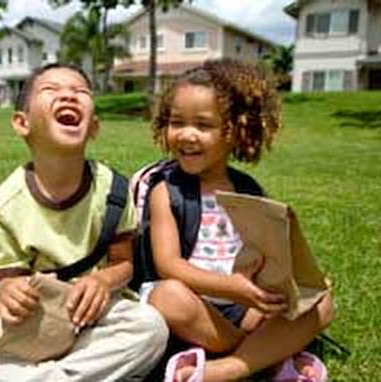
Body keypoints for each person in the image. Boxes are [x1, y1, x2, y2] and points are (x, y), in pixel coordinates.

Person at [0, 63, 168, 382]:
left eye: (81, 91)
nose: (69, 95)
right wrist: (9, 289)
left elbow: (124, 264)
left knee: (149, 326)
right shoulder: (5, 202)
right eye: (51, 90)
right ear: (22, 122)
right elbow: (6, 279)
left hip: (91, 319)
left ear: (93, 127)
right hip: (29, 323)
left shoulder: (115, 191)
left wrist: (102, 282)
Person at [141, 59, 334, 381]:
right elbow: (169, 265)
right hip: (196, 307)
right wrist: (231, 288)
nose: (187, 135)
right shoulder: (166, 190)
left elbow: (268, 255)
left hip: (247, 306)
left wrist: (296, 281)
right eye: (177, 122)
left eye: (203, 126)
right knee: (167, 295)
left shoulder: (249, 190)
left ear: (235, 130)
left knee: (323, 303)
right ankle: (265, 356)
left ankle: (219, 370)